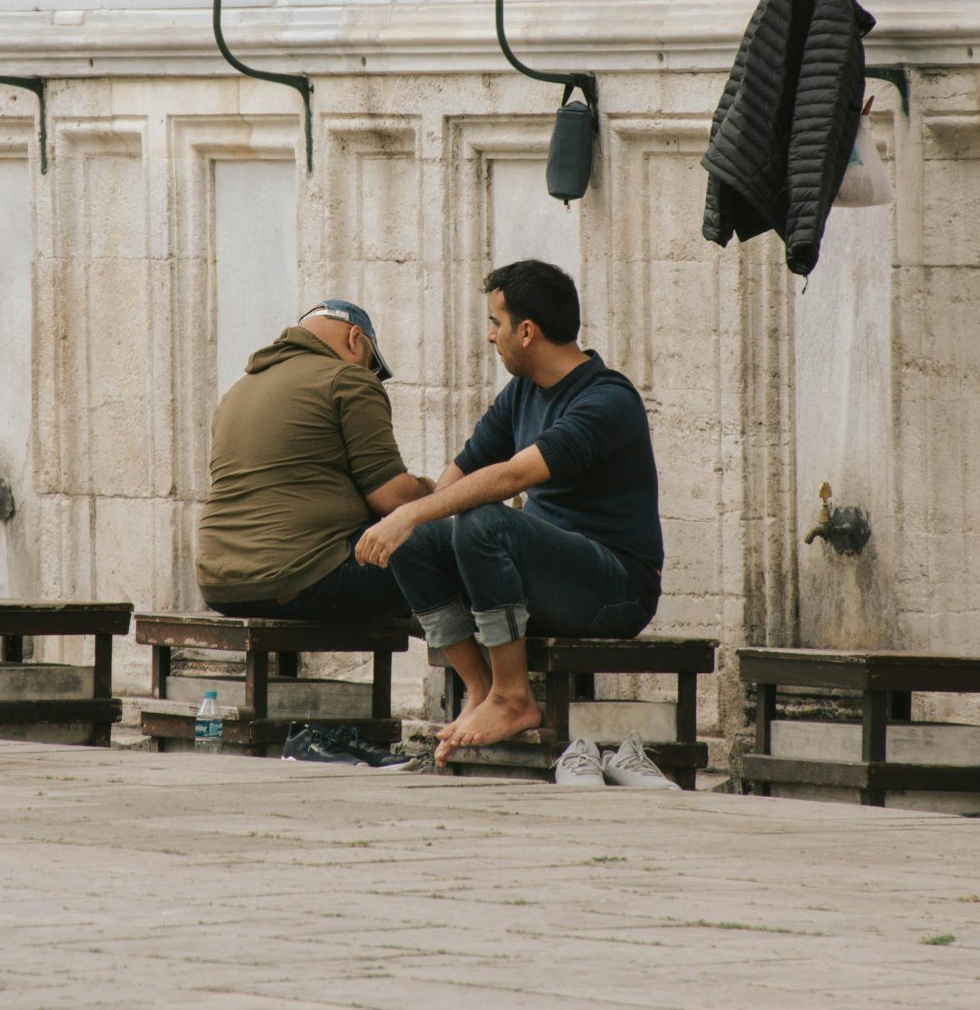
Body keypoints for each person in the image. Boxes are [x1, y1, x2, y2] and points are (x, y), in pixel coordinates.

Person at [355, 261, 662, 761]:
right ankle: (481, 689)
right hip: (549, 577)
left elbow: (512, 477)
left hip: (617, 588)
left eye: (495, 323)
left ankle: (513, 698)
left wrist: (409, 514)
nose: (489, 336)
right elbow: (463, 472)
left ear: (526, 331)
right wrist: (407, 523)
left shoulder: (607, 399)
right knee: (418, 534)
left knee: (481, 523)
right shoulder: (521, 392)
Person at [196, 300, 430, 623]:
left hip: (219, 585)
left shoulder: (236, 392)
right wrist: (434, 492)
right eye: (371, 364)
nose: (369, 373)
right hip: (298, 580)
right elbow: (392, 498)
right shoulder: (349, 378)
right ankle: (484, 673)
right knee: (449, 551)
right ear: (355, 339)